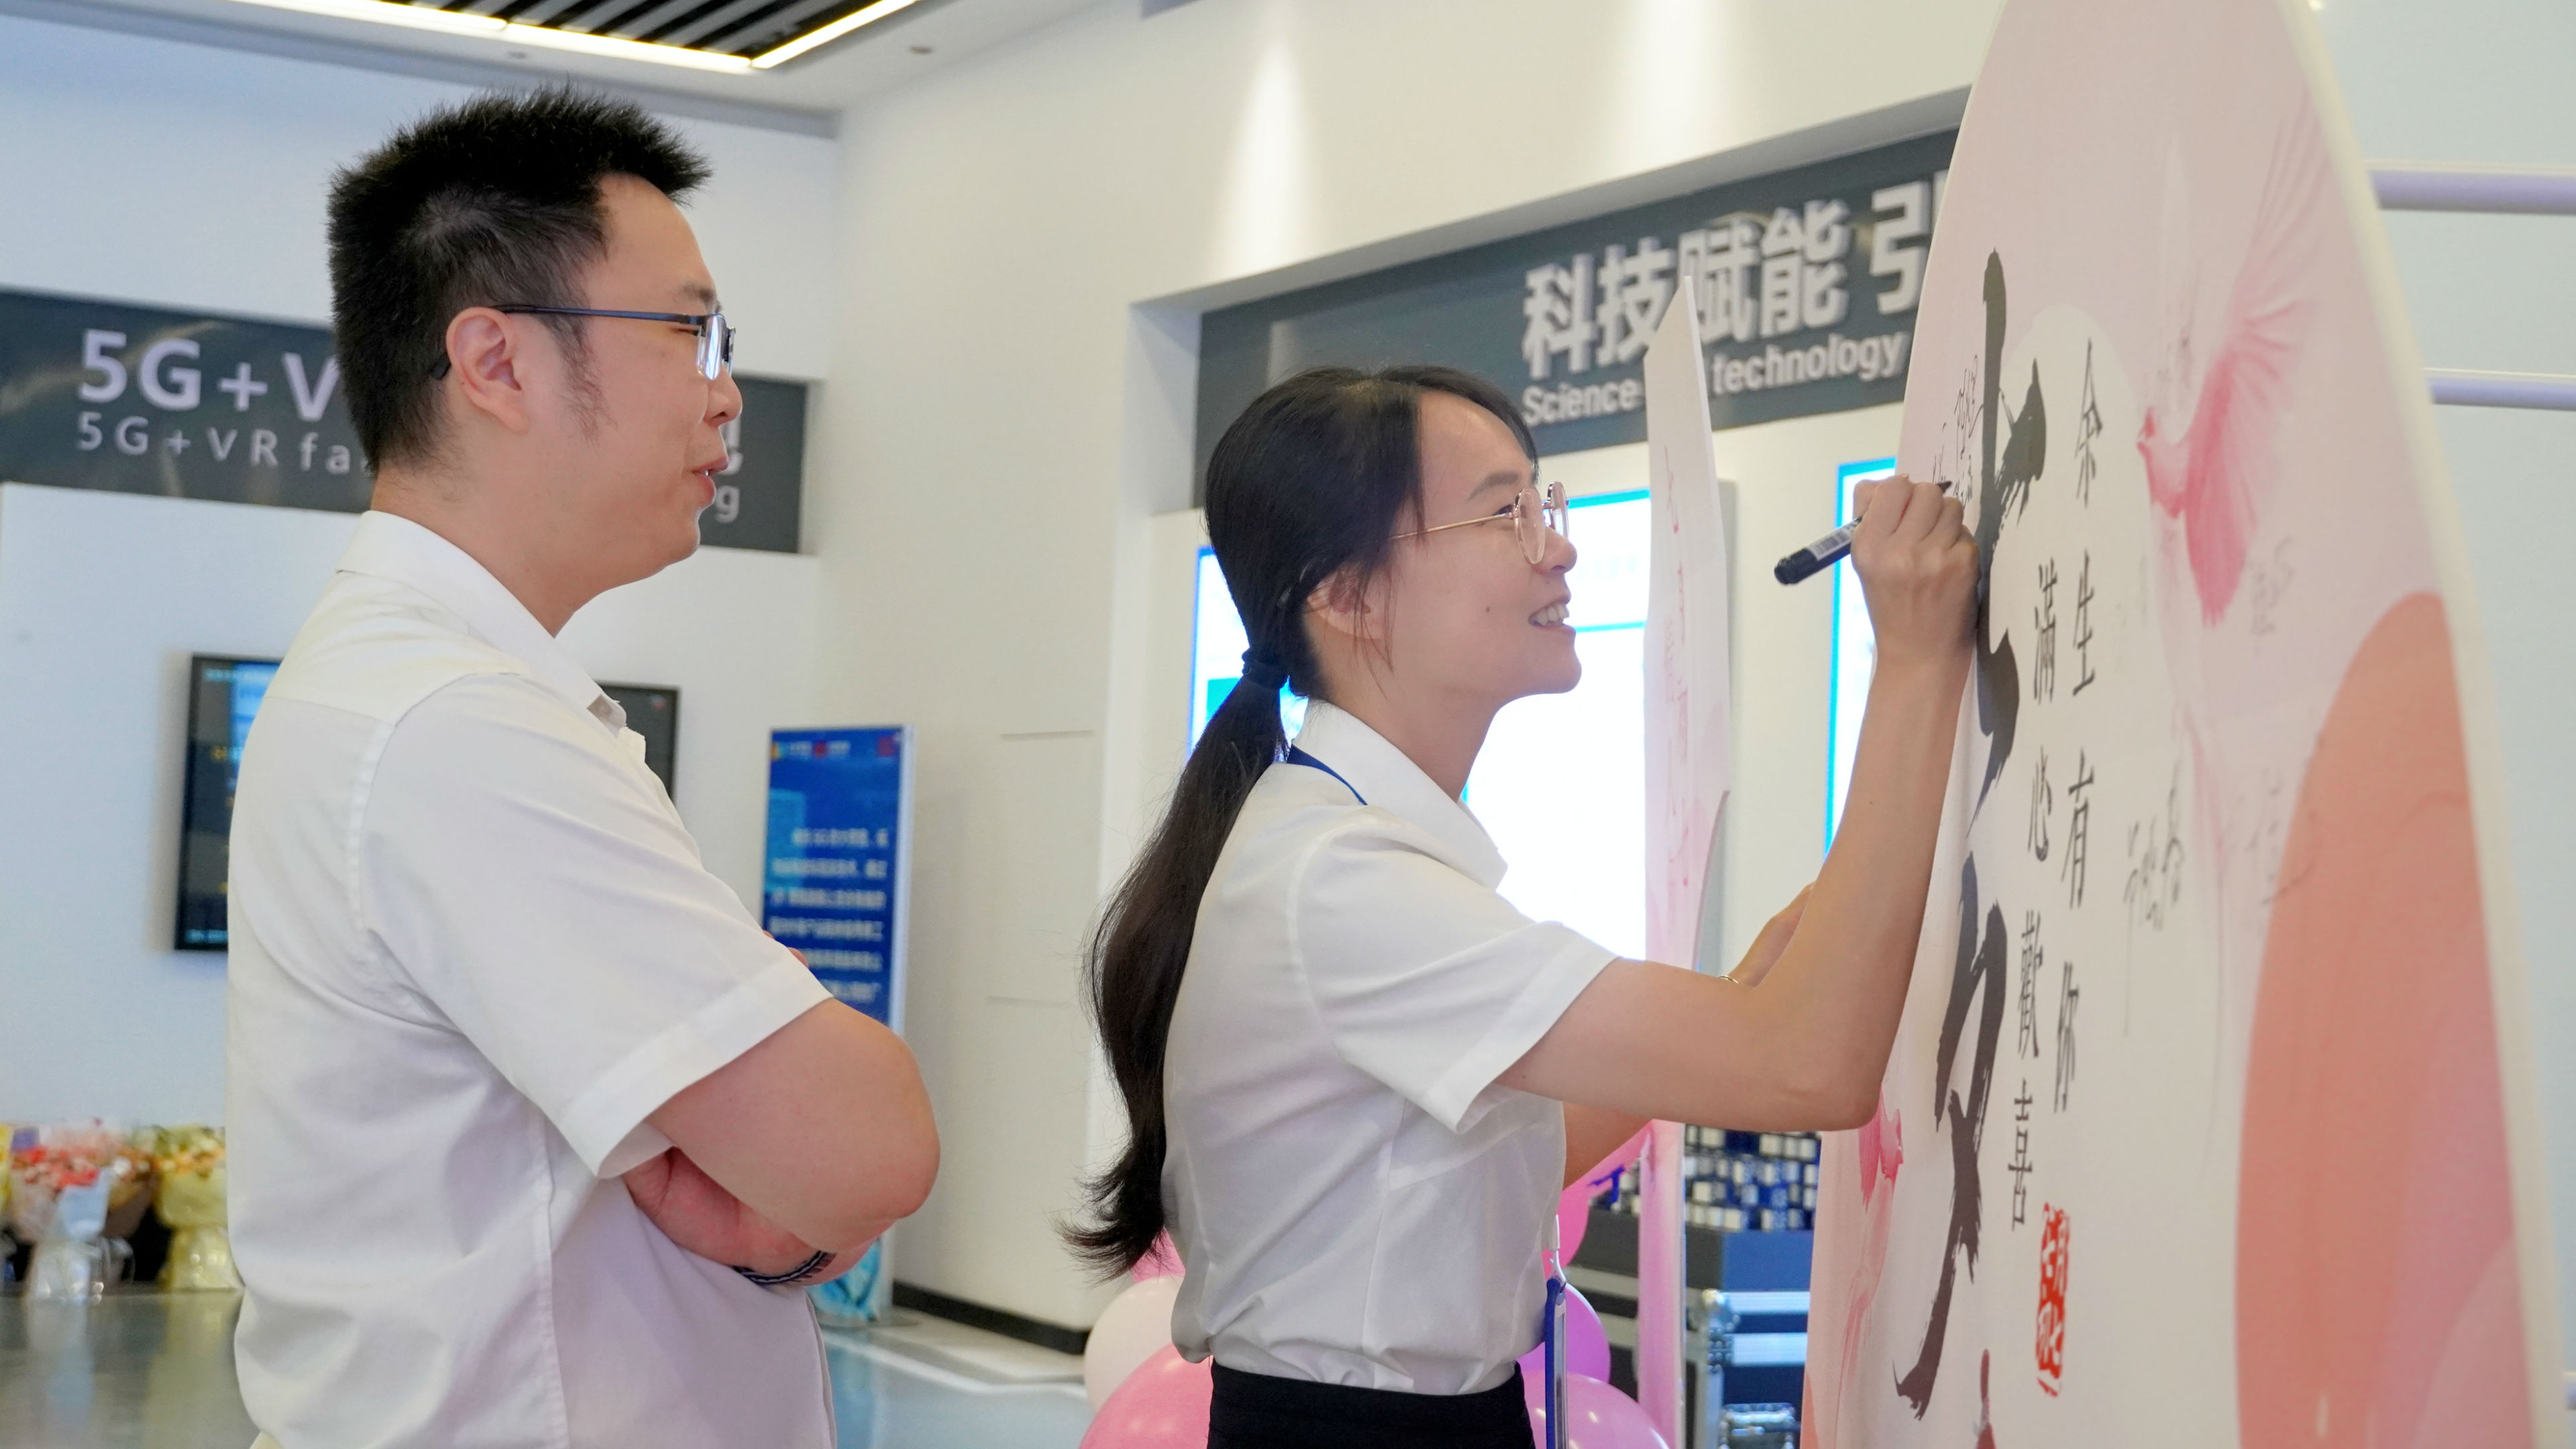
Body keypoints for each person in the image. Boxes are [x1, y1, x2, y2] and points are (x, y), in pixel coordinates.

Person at [1068, 365, 1975, 1447]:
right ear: (1346, 596)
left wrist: (1737, 1004)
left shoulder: (1343, 841)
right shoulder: (1342, 878)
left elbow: (1496, 1159)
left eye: (1544, 503)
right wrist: (1916, 656)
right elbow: (1810, 1067)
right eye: (1504, 513)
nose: (1559, 547)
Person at [226, 90, 937, 1448]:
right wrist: (802, 1182)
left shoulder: (427, 687)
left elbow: (814, 1172)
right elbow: (873, 1146)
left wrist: (788, 1199)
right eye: (690, 333)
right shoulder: (458, 723)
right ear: (496, 362)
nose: (726, 392)